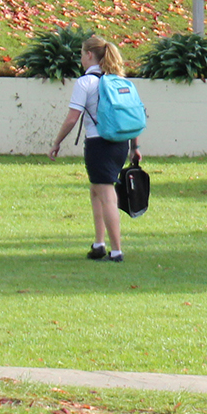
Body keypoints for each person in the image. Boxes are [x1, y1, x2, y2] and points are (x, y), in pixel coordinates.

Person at [46, 34, 138, 263]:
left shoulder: (85, 83)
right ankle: (99, 243)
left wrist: (56, 142)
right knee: (96, 190)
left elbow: (72, 119)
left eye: (81, 55)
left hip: (99, 143)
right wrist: (135, 146)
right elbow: (133, 115)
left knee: (106, 194)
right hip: (120, 142)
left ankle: (116, 251)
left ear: (89, 55)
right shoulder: (118, 81)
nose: (81, 59)